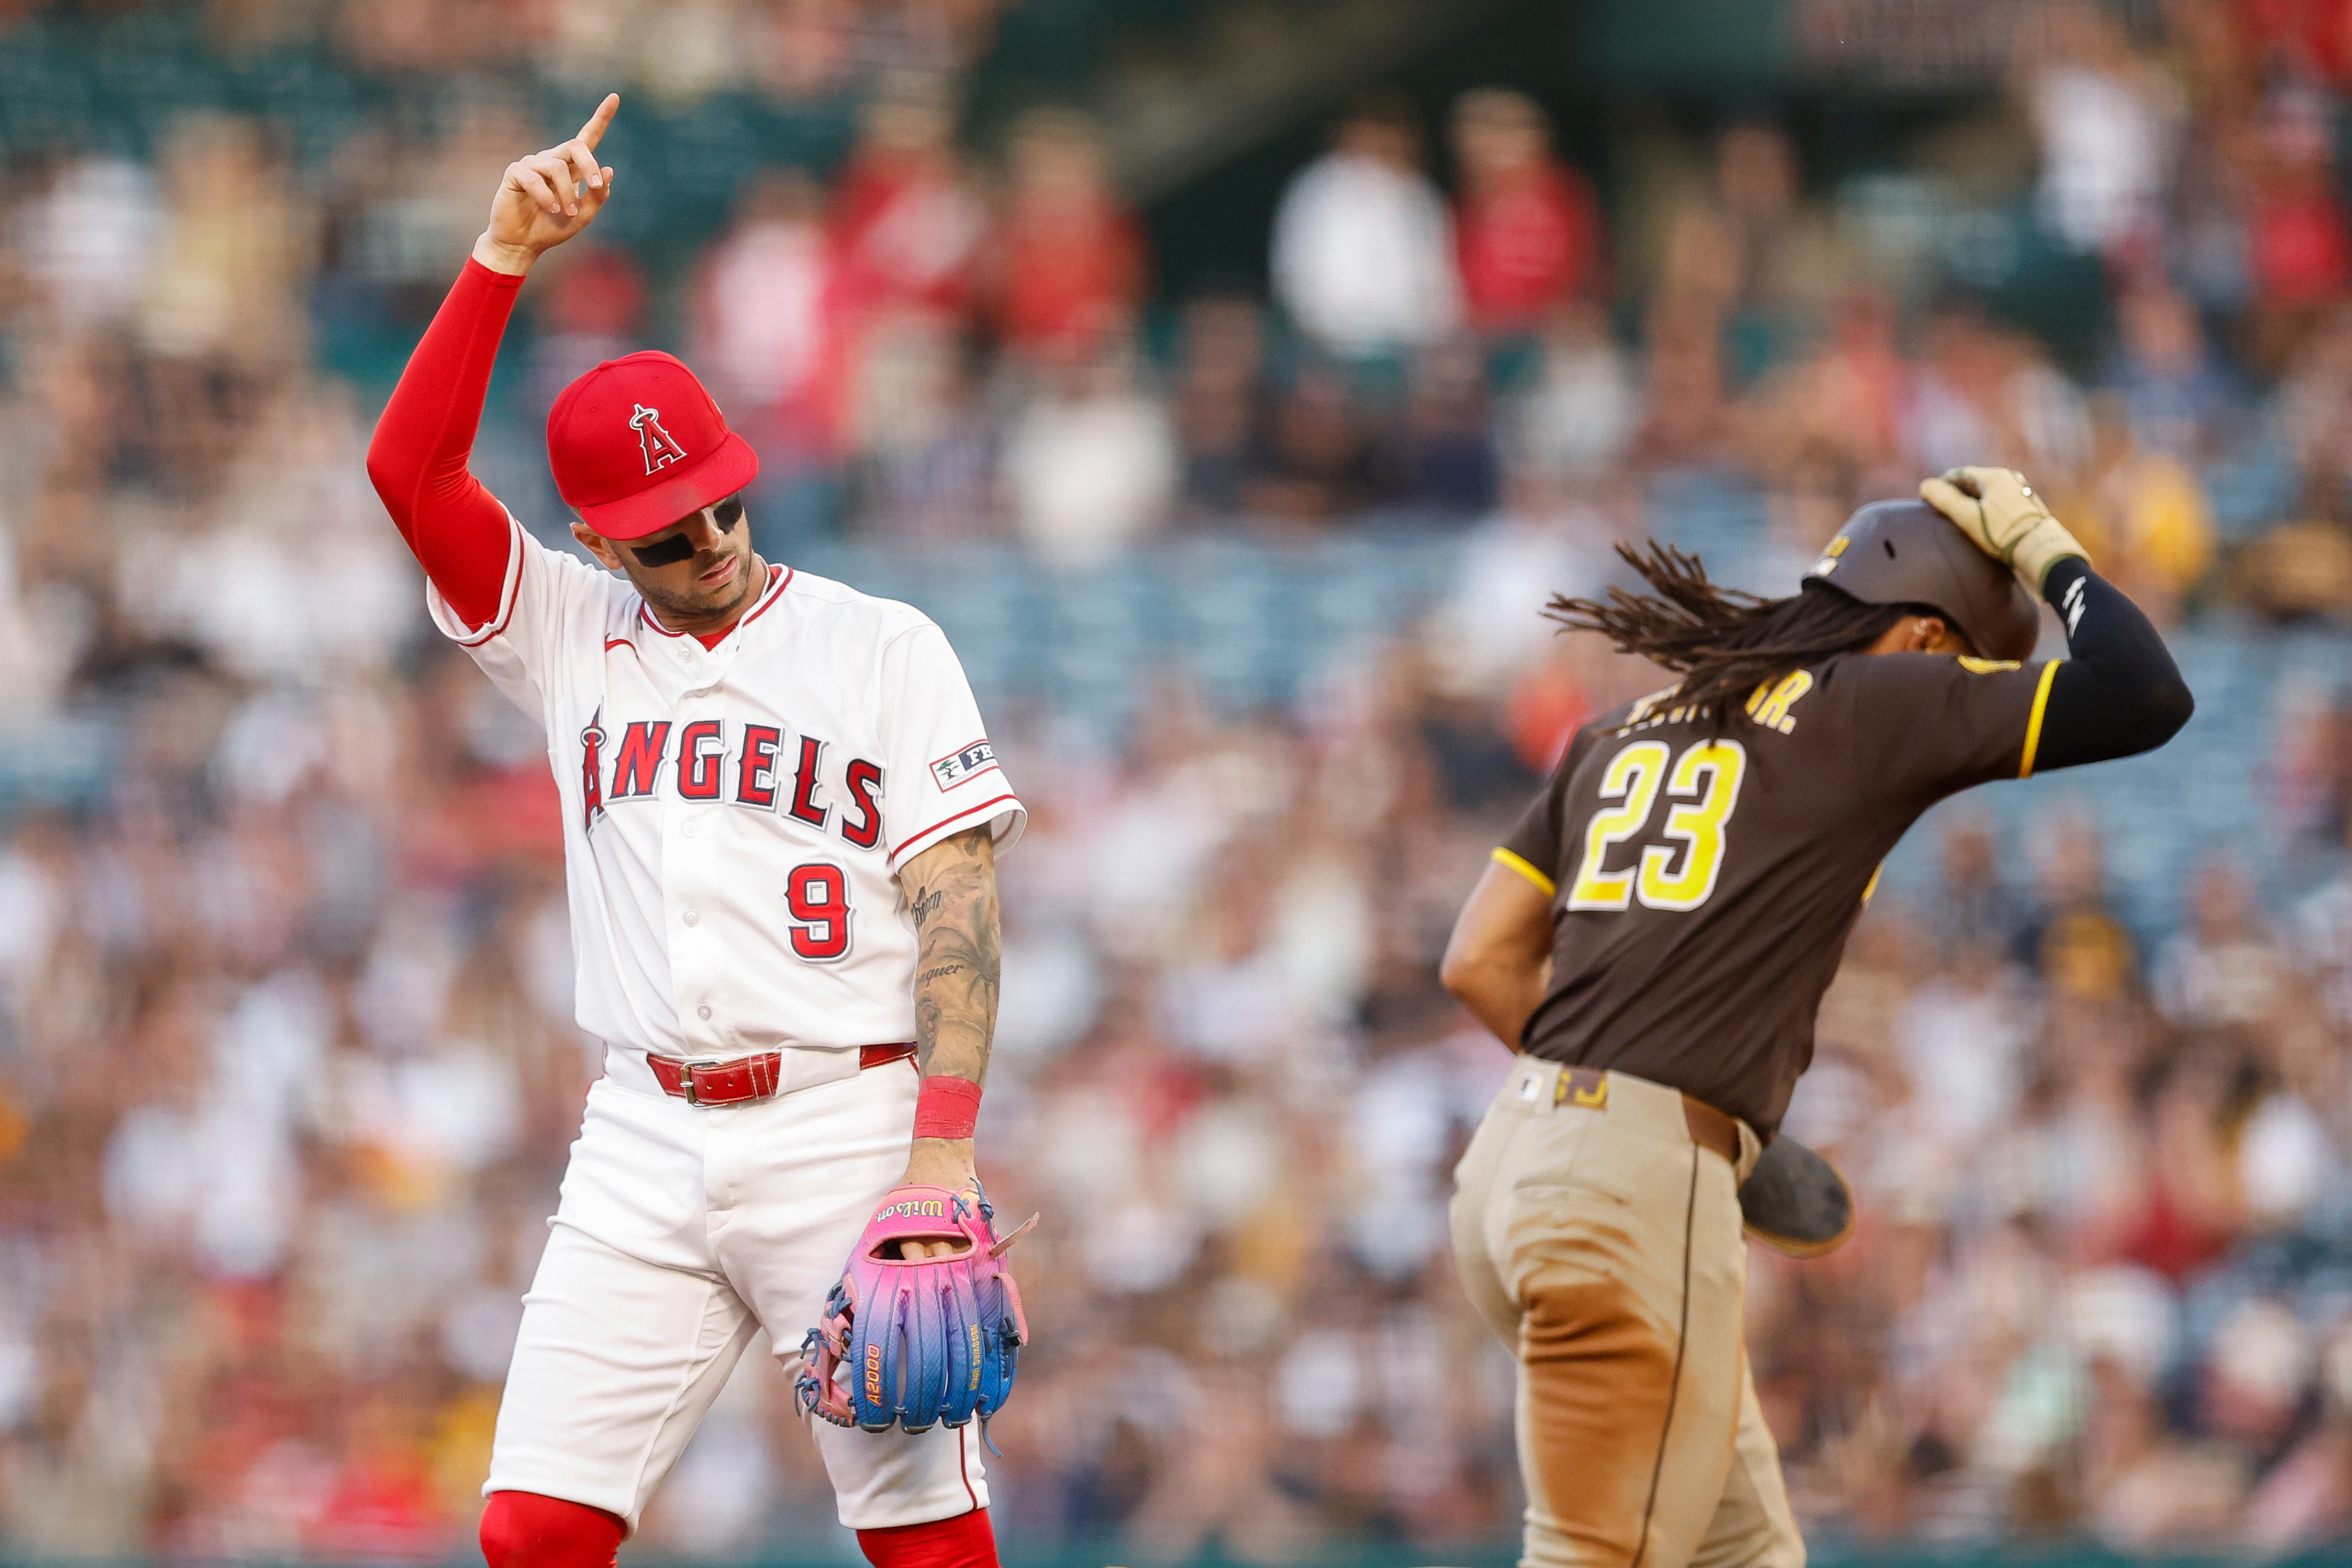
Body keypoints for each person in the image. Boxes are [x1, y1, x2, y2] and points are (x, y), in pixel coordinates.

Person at [363, 97, 1024, 1568]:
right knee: (530, 1530)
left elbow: (960, 905)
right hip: (644, 1132)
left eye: (718, 502)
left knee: (926, 1540)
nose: (710, 540)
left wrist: (940, 1151)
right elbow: (410, 477)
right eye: (665, 530)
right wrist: (499, 257)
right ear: (597, 540)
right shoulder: (564, 630)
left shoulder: (880, 644)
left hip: (847, 1123)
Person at [1438, 472, 2192, 1568]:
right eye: (1968, 659)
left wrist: (1626, 1108)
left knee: (1746, 1551)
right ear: (1926, 635)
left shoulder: (1623, 726)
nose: (1969, 685)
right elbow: (2144, 692)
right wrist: (2046, 548)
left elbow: (1478, 959)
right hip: (1629, 1190)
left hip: (1513, 1166)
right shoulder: (1873, 699)